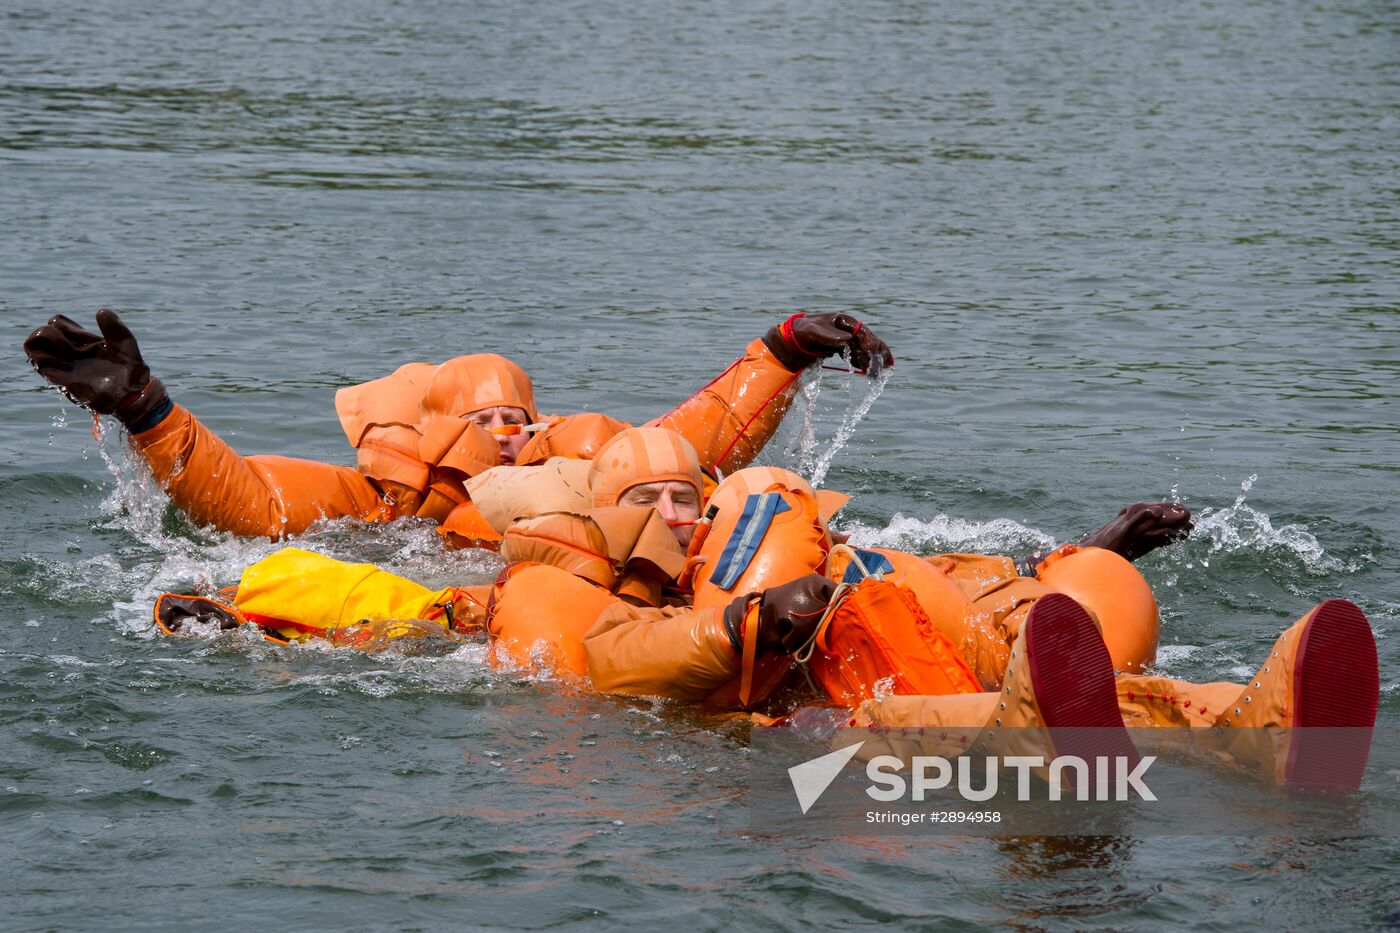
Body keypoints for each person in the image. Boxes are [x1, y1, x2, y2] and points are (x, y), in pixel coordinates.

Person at [24, 309, 892, 542]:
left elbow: (694, 437)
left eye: (518, 416)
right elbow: (250, 501)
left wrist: (782, 349)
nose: (507, 432)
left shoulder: (588, 468)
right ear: (432, 431)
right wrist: (146, 408)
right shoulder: (381, 506)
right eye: (485, 419)